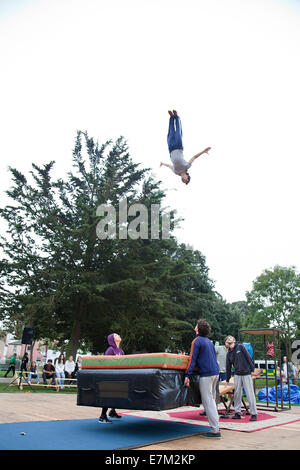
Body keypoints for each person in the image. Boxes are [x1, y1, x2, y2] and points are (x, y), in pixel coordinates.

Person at [184, 319, 221, 439]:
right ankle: (216, 426)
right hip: (215, 372)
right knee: (212, 400)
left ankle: (215, 430)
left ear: (197, 329)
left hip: (207, 374)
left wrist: (187, 375)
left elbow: (192, 359)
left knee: (208, 401)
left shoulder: (197, 341)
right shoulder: (209, 341)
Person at [160, 110, 211, 185]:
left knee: (170, 133)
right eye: (186, 180)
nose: (184, 180)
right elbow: (194, 157)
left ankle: (171, 117)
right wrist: (203, 151)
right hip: (178, 146)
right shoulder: (187, 166)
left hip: (171, 149)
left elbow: (169, 166)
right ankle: (176, 117)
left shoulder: (175, 172)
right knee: (178, 132)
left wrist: (163, 164)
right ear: (187, 176)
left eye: (183, 181)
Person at [225, 335, 257, 421]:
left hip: (246, 373)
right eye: (228, 339)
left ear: (234, 340)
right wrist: (227, 379)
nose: (229, 339)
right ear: (226, 343)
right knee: (237, 394)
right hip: (237, 374)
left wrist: (252, 369)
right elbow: (228, 367)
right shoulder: (228, 354)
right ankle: (237, 412)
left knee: (250, 393)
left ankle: (254, 413)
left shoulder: (240, 347)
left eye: (231, 338)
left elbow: (248, 357)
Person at [99, 333, 124, 424]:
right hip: (110, 376)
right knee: (108, 395)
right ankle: (102, 416)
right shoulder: (110, 349)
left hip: (118, 375)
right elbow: (106, 363)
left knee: (117, 394)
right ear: (112, 339)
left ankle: (112, 411)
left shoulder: (121, 351)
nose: (119, 336)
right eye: (116, 335)